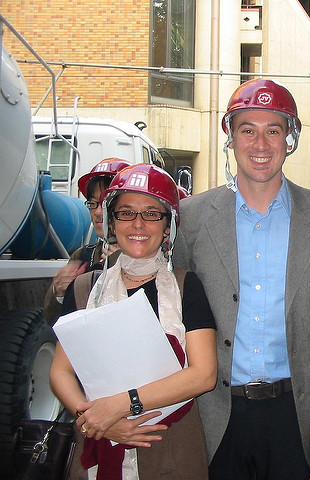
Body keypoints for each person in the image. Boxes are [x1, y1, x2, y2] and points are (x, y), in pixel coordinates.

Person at [172, 78, 310, 480]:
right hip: (216, 413)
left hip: (295, 414)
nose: (260, 144)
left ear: (290, 139)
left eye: (273, 130)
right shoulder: (192, 219)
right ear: (230, 138)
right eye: (247, 130)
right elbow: (169, 299)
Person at [50, 163, 217, 479]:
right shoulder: (85, 289)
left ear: (167, 226)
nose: (138, 224)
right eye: (126, 213)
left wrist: (123, 405)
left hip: (170, 444)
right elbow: (61, 371)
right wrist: (97, 420)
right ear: (112, 222)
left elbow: (204, 374)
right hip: (98, 438)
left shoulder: (186, 287)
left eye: (152, 214)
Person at [43, 158, 131, 323]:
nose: (97, 212)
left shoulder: (151, 258)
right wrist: (59, 293)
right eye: (92, 203)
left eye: (106, 203)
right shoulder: (83, 256)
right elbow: (53, 321)